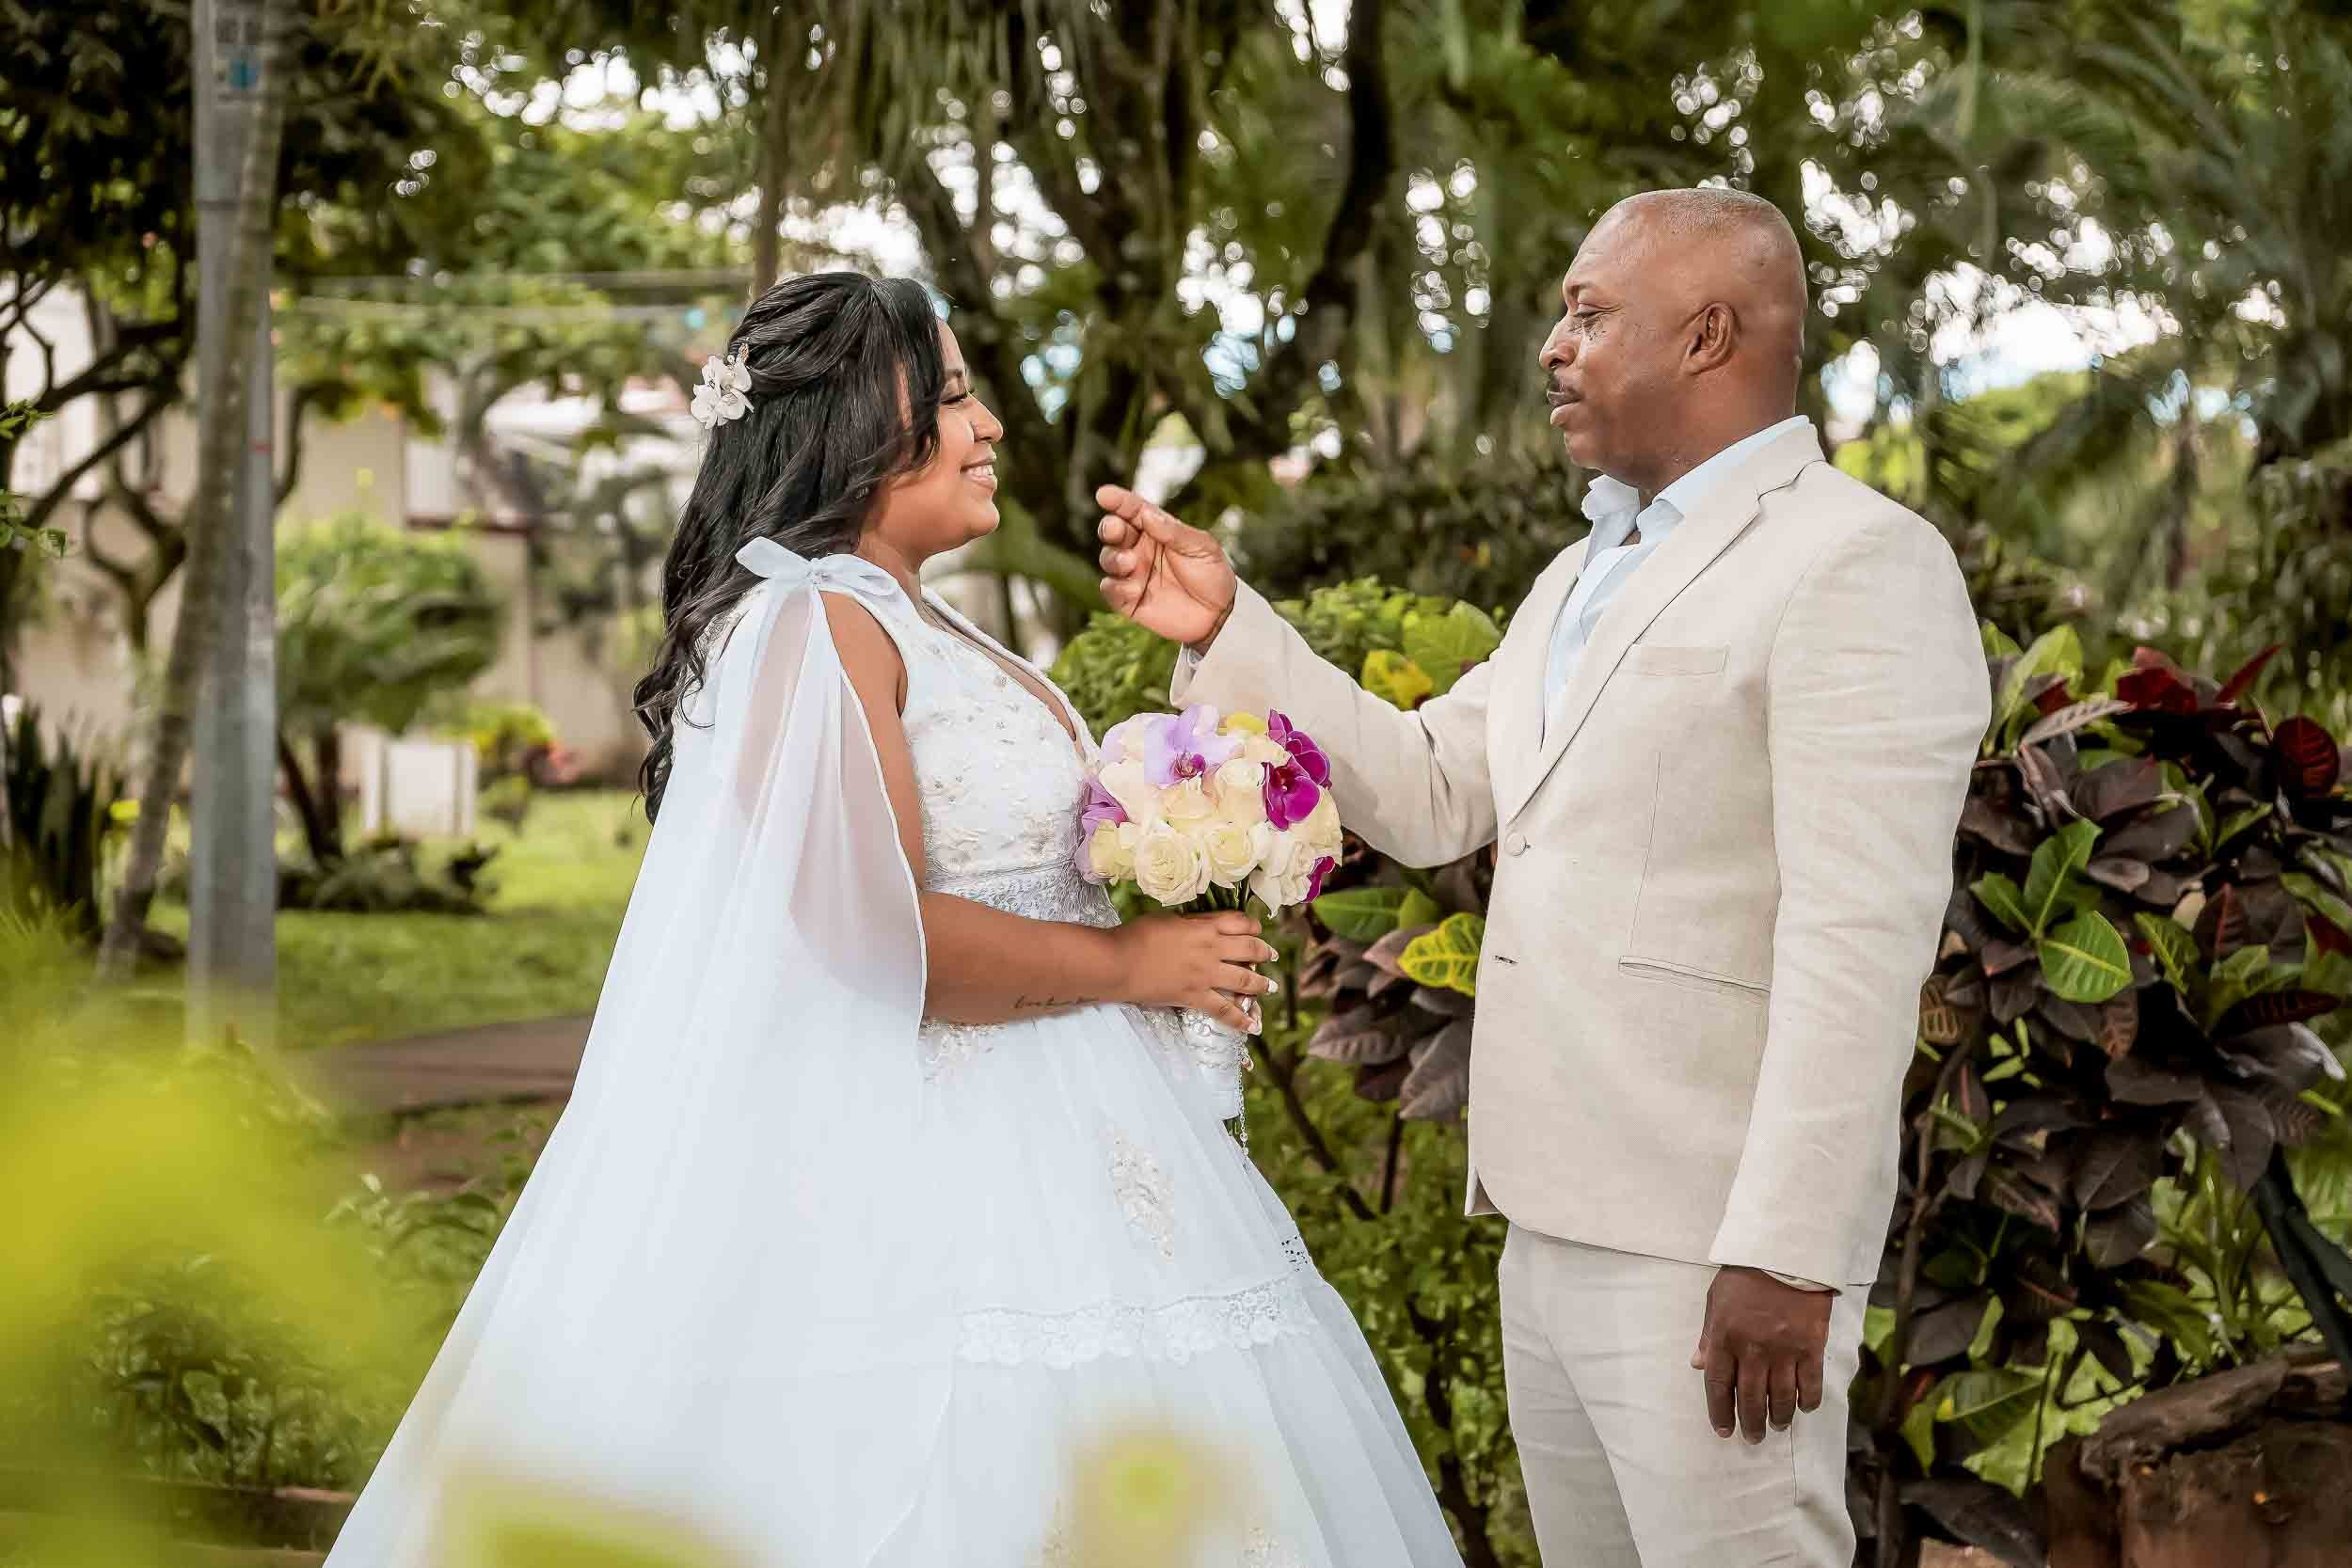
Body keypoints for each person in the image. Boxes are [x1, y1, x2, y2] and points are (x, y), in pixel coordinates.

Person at [322, 273, 1463, 1568]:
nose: (987, 431)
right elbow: (874, 939)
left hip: (1076, 1123)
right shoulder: (814, 623)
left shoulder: (904, 618)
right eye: (960, 396)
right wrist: (1130, 959)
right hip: (942, 1148)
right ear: (866, 422)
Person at [1097, 188, 1989, 1568]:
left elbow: (1856, 941)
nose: (1554, 348)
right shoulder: (1577, 572)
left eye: (1587, 313)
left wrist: (1790, 1252)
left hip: (1713, 1248)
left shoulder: (1857, 564)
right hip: (1546, 1217)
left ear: (1707, 336)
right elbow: (1432, 787)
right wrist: (1231, 625)